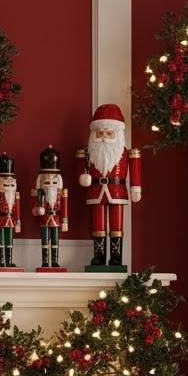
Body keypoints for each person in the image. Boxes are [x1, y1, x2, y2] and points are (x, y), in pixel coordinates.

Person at [75, 103, 141, 267]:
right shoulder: (88, 153)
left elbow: (135, 171)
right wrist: (82, 177)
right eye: (100, 133)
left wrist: (135, 188)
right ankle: (99, 256)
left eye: (109, 133)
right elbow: (80, 171)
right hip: (95, 190)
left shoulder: (127, 152)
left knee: (117, 225)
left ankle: (116, 257)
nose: (104, 137)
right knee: (97, 224)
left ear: (117, 133)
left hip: (117, 190)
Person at [31, 145, 68, 270]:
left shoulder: (61, 193)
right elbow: (35, 204)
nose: (51, 184)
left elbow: (65, 205)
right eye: (47, 182)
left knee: (55, 240)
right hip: (45, 217)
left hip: (56, 217)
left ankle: (55, 261)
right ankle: (45, 262)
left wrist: (65, 221)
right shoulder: (40, 193)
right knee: (45, 241)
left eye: (54, 182)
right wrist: (37, 209)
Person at [0, 153, 21, 269]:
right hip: (1, 218)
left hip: (11, 219)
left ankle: (9, 261)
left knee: (10, 240)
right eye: (5, 179)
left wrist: (18, 221)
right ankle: (1, 262)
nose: (9, 182)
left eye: (11, 179)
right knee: (1, 240)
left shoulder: (15, 195)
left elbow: (17, 208)